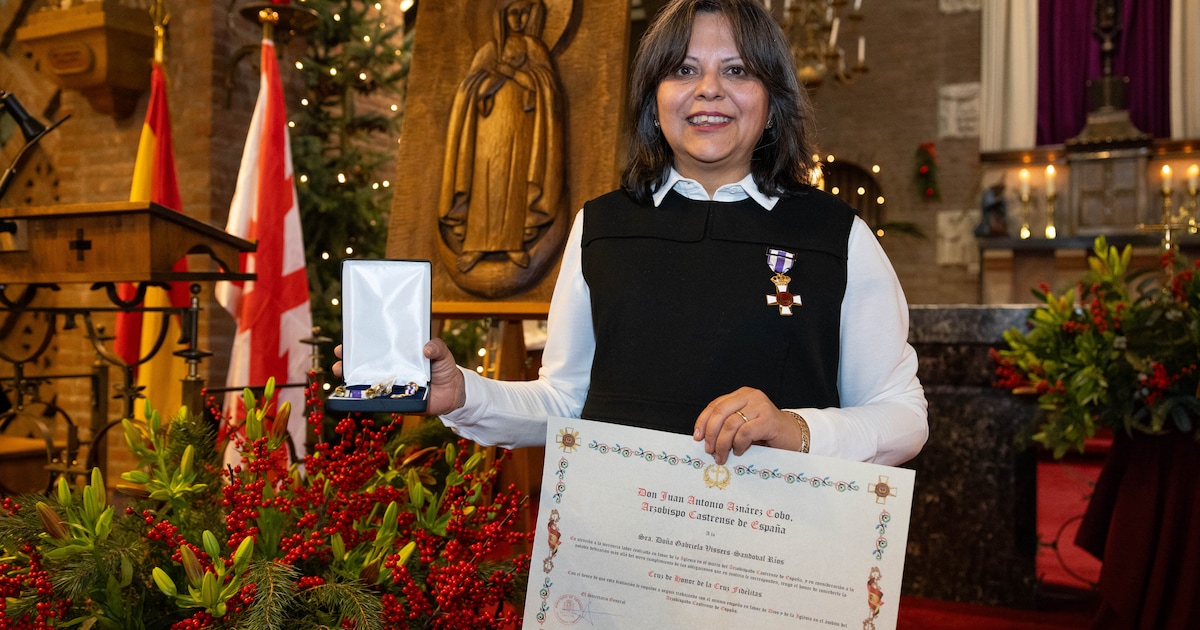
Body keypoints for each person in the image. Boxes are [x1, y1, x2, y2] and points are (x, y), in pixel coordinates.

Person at [338, 0, 927, 467]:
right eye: (683, 70)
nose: (708, 90)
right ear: (654, 99)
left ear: (773, 101)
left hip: (770, 562)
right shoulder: (601, 226)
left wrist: (794, 427)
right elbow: (565, 404)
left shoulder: (837, 235)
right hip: (623, 558)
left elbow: (903, 417)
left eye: (738, 70)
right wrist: (462, 394)